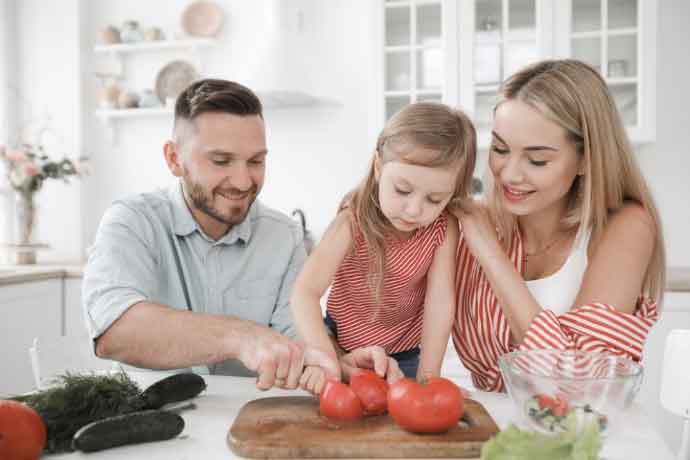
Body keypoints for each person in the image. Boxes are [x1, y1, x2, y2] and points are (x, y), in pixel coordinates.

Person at [82, 78, 343, 390]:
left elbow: (297, 340)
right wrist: (241, 337)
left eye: (256, 161)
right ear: (174, 159)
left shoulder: (285, 237)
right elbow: (114, 330)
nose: (243, 181)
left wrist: (336, 357)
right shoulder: (132, 222)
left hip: (250, 423)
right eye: (221, 161)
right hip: (147, 417)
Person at [451, 59, 666, 392]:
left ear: (585, 159)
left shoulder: (625, 226)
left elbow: (579, 384)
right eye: (499, 149)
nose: (509, 174)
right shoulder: (480, 222)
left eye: (537, 160)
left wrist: (491, 255)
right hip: (499, 428)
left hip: (587, 435)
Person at [291, 102, 477, 393]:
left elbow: (439, 305)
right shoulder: (352, 219)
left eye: (435, 199)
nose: (414, 210)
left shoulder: (443, 228)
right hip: (341, 349)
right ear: (379, 167)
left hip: (405, 356)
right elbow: (305, 291)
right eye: (402, 190)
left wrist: (430, 379)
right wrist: (324, 359)